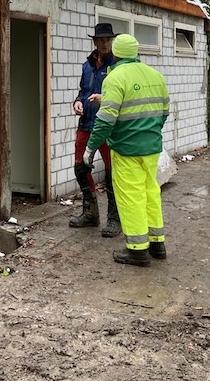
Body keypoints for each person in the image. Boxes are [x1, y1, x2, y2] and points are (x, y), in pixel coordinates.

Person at [83, 34, 170, 267]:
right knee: (150, 192)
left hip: (126, 149)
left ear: (117, 53)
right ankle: (156, 243)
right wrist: (148, 133)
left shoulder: (115, 77)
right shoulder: (155, 76)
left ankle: (137, 250)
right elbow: (163, 113)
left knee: (131, 197)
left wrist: (90, 148)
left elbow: (105, 121)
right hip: (151, 148)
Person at [69, 22, 122, 238]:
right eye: (101, 40)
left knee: (112, 174)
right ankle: (90, 214)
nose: (105, 43)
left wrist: (104, 100)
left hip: (107, 127)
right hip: (86, 125)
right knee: (80, 168)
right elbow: (83, 91)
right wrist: (77, 102)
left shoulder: (118, 66)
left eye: (108, 40)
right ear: (94, 42)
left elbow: (122, 97)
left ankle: (114, 219)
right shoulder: (87, 65)